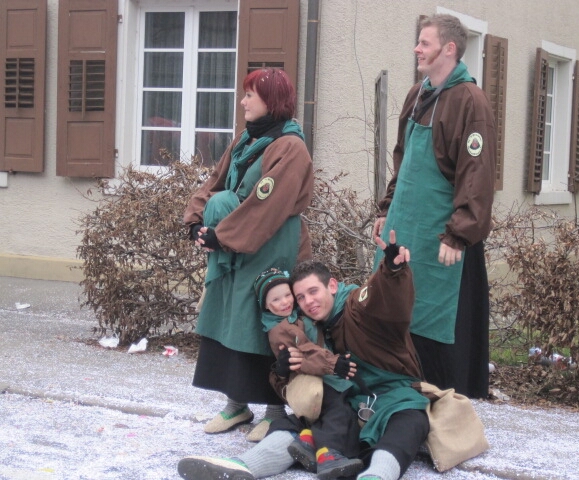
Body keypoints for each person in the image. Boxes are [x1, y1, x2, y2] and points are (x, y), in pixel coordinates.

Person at [177, 230, 430, 480]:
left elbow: (384, 298)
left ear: (332, 285)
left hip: (394, 397)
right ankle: (242, 467)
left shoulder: (356, 306)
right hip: (346, 403)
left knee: (411, 422)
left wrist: (393, 271)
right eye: (300, 297)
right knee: (295, 424)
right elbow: (301, 384)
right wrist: (283, 370)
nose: (308, 301)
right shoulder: (306, 327)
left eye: (313, 291)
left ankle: (377, 476)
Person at [183, 67, 314, 442]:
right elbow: (216, 181)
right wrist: (197, 223)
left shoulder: (290, 147)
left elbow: (267, 204)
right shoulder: (246, 139)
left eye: (250, 95)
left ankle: (274, 412)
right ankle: (236, 405)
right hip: (235, 246)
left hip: (270, 244)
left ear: (271, 101)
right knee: (229, 319)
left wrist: (221, 236)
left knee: (267, 323)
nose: (243, 102)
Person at [373, 14, 496, 399]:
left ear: (449, 49)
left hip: (444, 240)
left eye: (424, 43)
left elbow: (477, 173)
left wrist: (459, 233)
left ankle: (441, 411)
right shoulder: (417, 95)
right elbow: (404, 159)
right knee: (395, 313)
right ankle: (397, 403)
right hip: (405, 228)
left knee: (437, 327)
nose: (417, 49)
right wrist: (386, 210)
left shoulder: (470, 101)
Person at [254, 267, 363, 479]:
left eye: (288, 295)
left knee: (335, 410)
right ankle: (328, 454)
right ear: (265, 306)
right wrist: (333, 363)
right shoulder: (281, 328)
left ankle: (307, 440)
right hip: (314, 379)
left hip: (320, 375)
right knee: (338, 411)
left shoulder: (295, 316)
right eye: (276, 300)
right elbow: (304, 353)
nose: (285, 302)